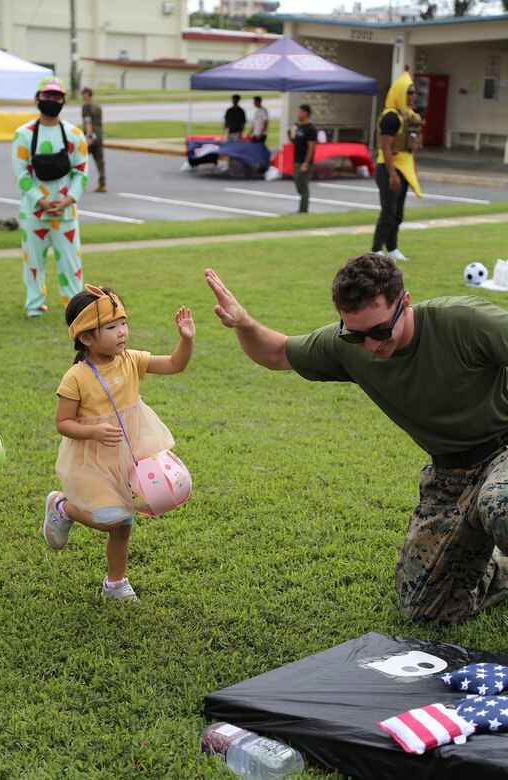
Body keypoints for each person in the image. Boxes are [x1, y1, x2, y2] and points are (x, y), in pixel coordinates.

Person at [205, 256, 508, 625]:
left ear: (405, 303)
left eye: (380, 332)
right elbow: (276, 353)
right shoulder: (349, 345)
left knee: (500, 503)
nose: (370, 346)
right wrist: (245, 324)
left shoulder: (466, 321)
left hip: (503, 447)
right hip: (451, 476)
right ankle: (498, 567)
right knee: (425, 610)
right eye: (355, 334)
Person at [43, 284, 195, 602]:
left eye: (123, 323)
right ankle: (63, 506)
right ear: (86, 338)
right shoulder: (76, 377)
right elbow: (63, 423)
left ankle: (115, 584)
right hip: (93, 457)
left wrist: (186, 340)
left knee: (124, 523)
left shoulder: (130, 360)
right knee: (107, 518)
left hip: (128, 450)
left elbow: (174, 365)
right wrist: (95, 431)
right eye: (111, 327)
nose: (122, 332)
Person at [11, 76, 88, 318]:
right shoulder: (23, 134)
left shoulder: (75, 135)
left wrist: (67, 200)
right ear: (37, 98)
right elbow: (21, 171)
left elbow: (81, 172)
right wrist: (40, 201)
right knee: (33, 263)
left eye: (57, 96)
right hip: (33, 213)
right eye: (47, 95)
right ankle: (35, 306)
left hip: (65, 213)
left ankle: (75, 309)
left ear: (64, 101)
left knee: (71, 265)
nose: (52, 100)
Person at [372, 68, 422, 262]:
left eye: (414, 92)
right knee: (388, 211)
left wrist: (414, 170)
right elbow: (385, 147)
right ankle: (376, 249)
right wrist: (392, 174)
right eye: (410, 92)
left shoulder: (409, 116)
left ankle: (392, 247)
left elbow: (411, 148)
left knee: (398, 213)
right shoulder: (390, 117)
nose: (413, 96)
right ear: (401, 93)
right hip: (389, 169)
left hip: (405, 169)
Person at [289, 104, 317, 213]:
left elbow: (311, 147)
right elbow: (295, 142)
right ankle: (302, 207)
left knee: (303, 185)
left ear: (306, 113)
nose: (298, 114)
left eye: (300, 112)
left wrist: (306, 163)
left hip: (304, 161)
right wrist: (290, 133)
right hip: (297, 159)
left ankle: (303, 209)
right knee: (297, 182)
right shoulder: (299, 127)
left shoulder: (311, 129)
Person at [81, 86, 106, 192]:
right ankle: (102, 184)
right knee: (100, 161)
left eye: (83, 94)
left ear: (87, 94)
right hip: (99, 136)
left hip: (90, 136)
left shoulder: (86, 106)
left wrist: (89, 136)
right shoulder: (98, 106)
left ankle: (80, 183)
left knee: (81, 160)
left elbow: (88, 121)